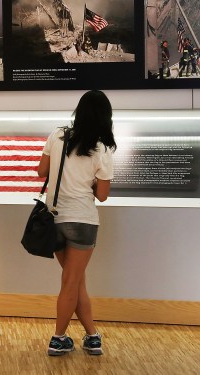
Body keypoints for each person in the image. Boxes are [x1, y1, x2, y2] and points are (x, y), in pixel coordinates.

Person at [37, 90, 116, 356]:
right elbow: (102, 196)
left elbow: (42, 171)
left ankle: (92, 336)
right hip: (82, 220)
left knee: (76, 280)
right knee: (72, 281)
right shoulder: (101, 149)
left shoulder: (57, 135)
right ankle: (58, 338)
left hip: (55, 218)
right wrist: (89, 182)